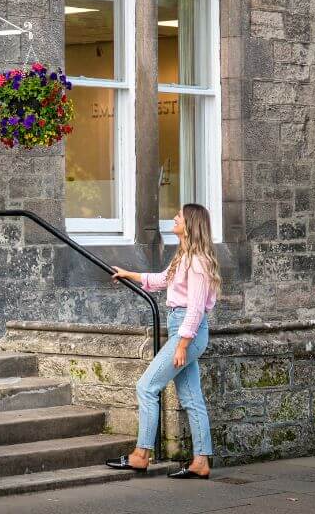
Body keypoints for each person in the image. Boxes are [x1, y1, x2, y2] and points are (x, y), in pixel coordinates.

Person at [105, 203, 221, 479]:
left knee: (146, 386)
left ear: (190, 224)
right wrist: (129, 274)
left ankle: (141, 455)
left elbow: (194, 309)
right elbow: (161, 280)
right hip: (182, 329)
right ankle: (201, 462)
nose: (174, 218)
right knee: (192, 398)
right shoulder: (184, 256)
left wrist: (181, 344)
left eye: (179, 216)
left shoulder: (196, 262)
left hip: (187, 331)